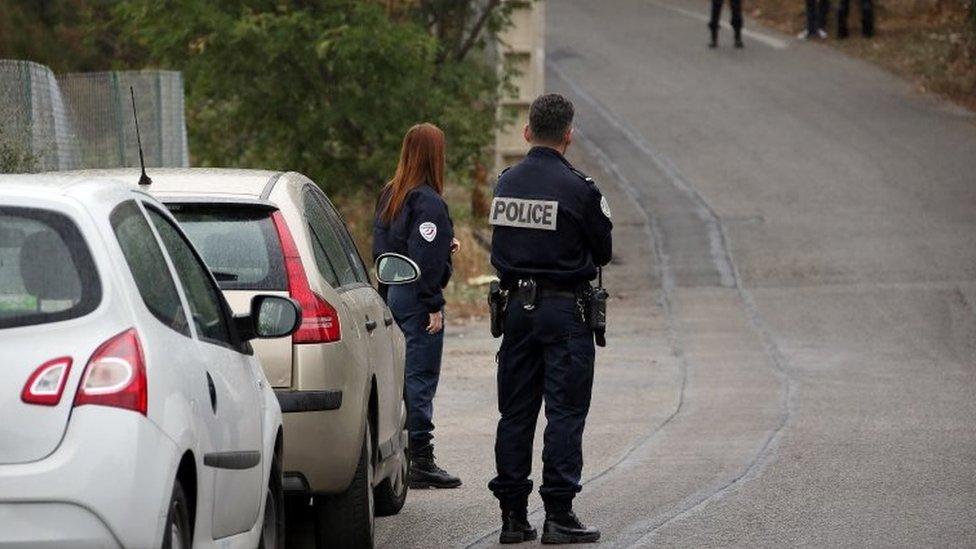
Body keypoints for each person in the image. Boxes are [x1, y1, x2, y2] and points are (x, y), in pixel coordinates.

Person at [488, 94, 613, 545]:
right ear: (568, 134)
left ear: (527, 132)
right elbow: (603, 252)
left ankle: (513, 517)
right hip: (565, 313)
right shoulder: (580, 188)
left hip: (516, 310)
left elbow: (498, 248)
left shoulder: (505, 184)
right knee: (564, 412)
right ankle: (558, 515)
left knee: (515, 413)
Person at [373, 123, 462, 489]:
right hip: (416, 298)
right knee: (420, 376)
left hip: (393, 292)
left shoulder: (389, 195)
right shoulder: (429, 202)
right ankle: (421, 458)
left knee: (397, 375)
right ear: (434, 156)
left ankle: (400, 451)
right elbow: (424, 261)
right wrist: (433, 305)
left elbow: (384, 249)